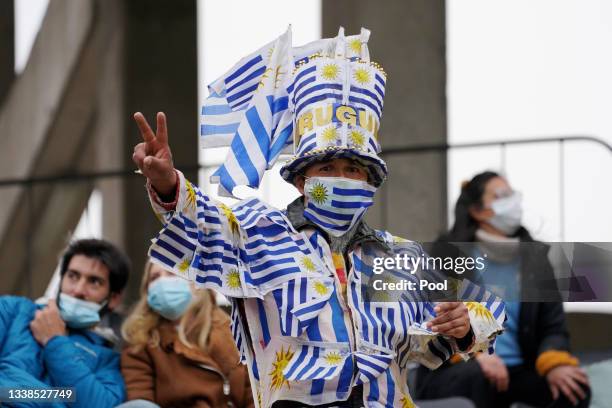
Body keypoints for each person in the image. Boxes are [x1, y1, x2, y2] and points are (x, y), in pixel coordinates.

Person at [132, 28, 504, 407]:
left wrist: (465, 323)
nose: (340, 178)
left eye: (353, 169)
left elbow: (485, 307)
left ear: (371, 181)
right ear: (300, 181)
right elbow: (202, 222)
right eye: (327, 166)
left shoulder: (396, 257)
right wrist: (168, 184)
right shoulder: (256, 236)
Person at [415, 171, 591, 408]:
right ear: (477, 211)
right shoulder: (446, 254)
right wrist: (474, 355)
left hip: (517, 370)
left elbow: (553, 327)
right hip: (455, 369)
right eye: (502, 195)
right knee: (477, 377)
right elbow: (429, 321)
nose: (514, 202)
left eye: (512, 194)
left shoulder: (535, 259)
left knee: (573, 389)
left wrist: (554, 363)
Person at [0, 238, 130, 408]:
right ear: (61, 280)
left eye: (94, 282)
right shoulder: (12, 310)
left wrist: (55, 341)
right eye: (73, 276)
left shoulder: (109, 361)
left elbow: (97, 405)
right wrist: (56, 401)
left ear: (113, 298)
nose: (78, 290)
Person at [118, 259, 254, 408]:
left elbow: (254, 396)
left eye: (172, 274)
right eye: (154, 277)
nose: (163, 282)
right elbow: (140, 401)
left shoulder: (234, 331)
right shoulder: (139, 342)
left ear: (197, 282)